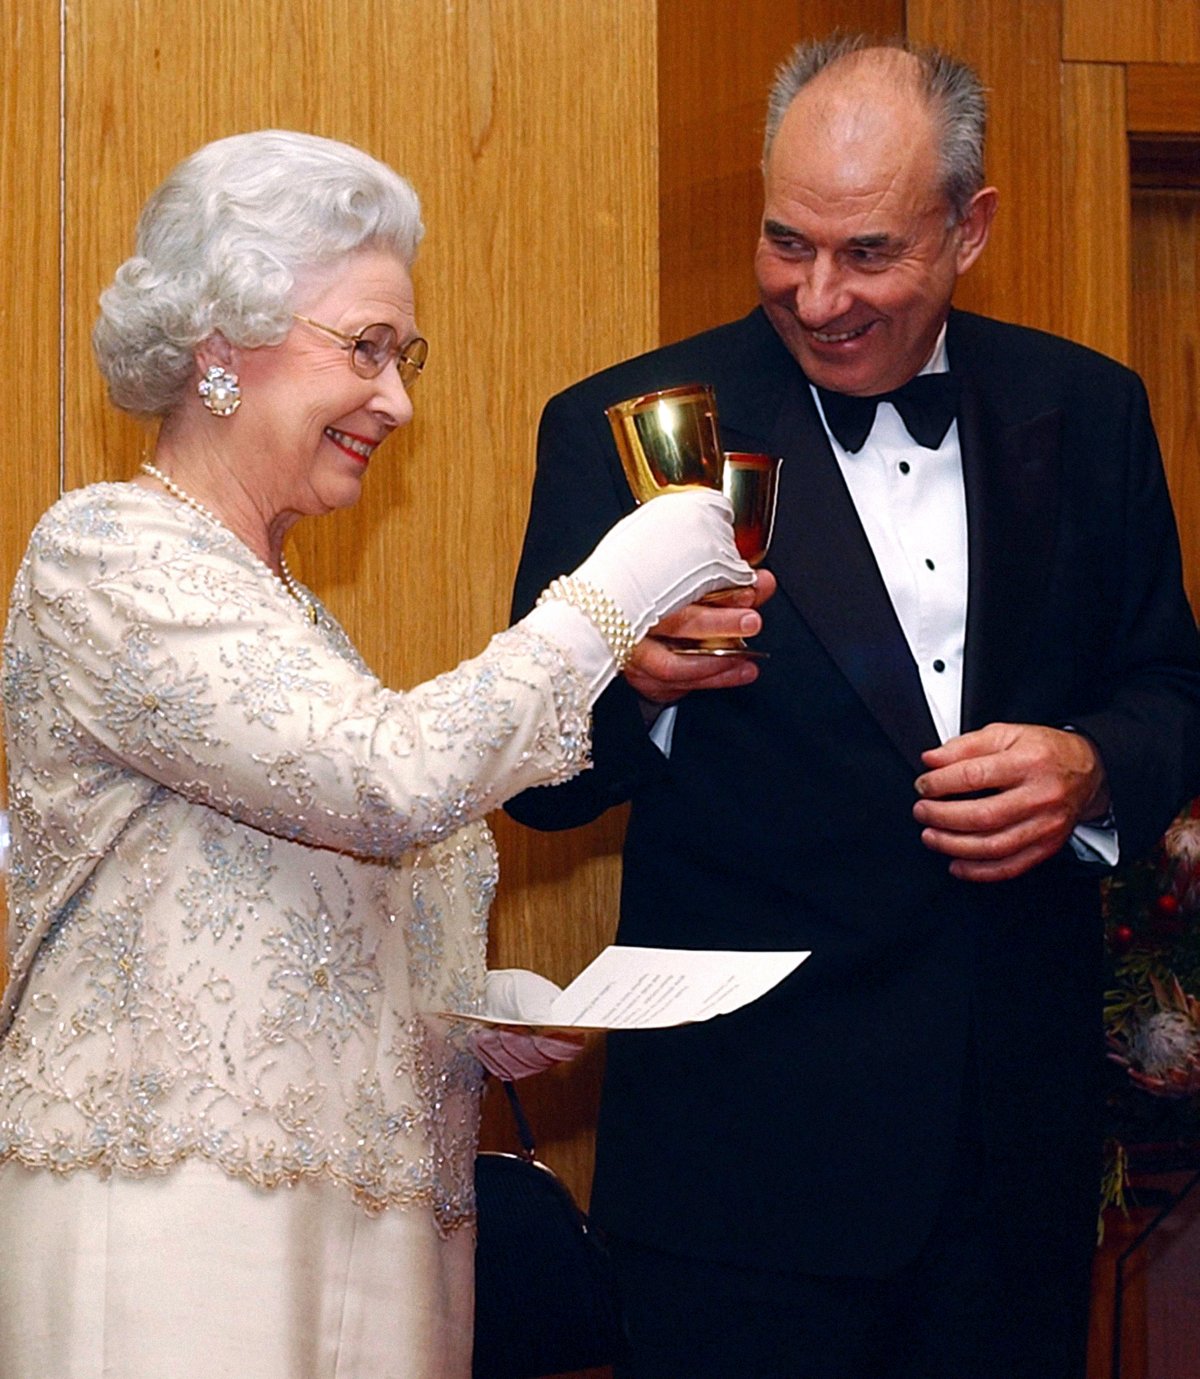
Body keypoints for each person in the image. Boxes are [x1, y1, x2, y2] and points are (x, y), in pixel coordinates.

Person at [0, 129, 753, 1379]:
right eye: (365, 349)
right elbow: (390, 776)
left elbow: (302, 888)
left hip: (369, 1233)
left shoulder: (291, 616)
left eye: (404, 358)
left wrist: (458, 1010)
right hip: (183, 1232)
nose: (399, 400)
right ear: (218, 347)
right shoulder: (106, 554)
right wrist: (613, 595)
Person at [507, 35, 1200, 1379]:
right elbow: (541, 781)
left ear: (970, 226)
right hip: (740, 1172)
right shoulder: (636, 421)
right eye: (786, 243)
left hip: (1012, 1163)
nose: (817, 295)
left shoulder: (1091, 410)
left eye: (868, 252)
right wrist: (633, 688)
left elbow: (1171, 680)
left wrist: (1092, 765)